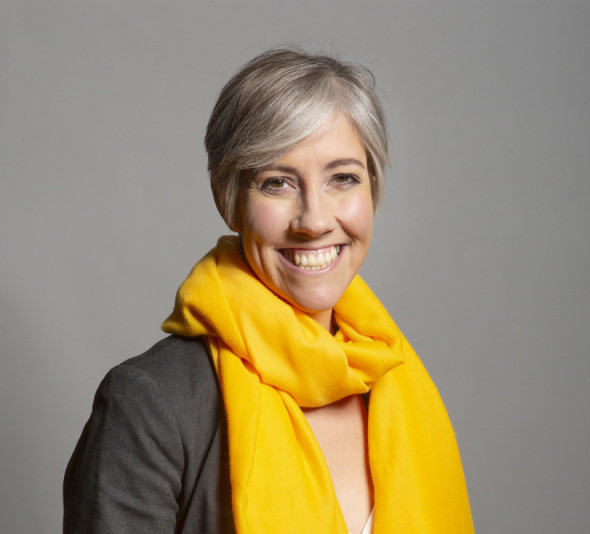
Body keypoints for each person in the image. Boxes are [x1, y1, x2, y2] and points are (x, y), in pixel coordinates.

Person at [63, 47, 474, 534]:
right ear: (229, 200)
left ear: (373, 191)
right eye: (277, 183)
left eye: (343, 178)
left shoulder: (391, 378)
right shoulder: (153, 403)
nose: (316, 220)